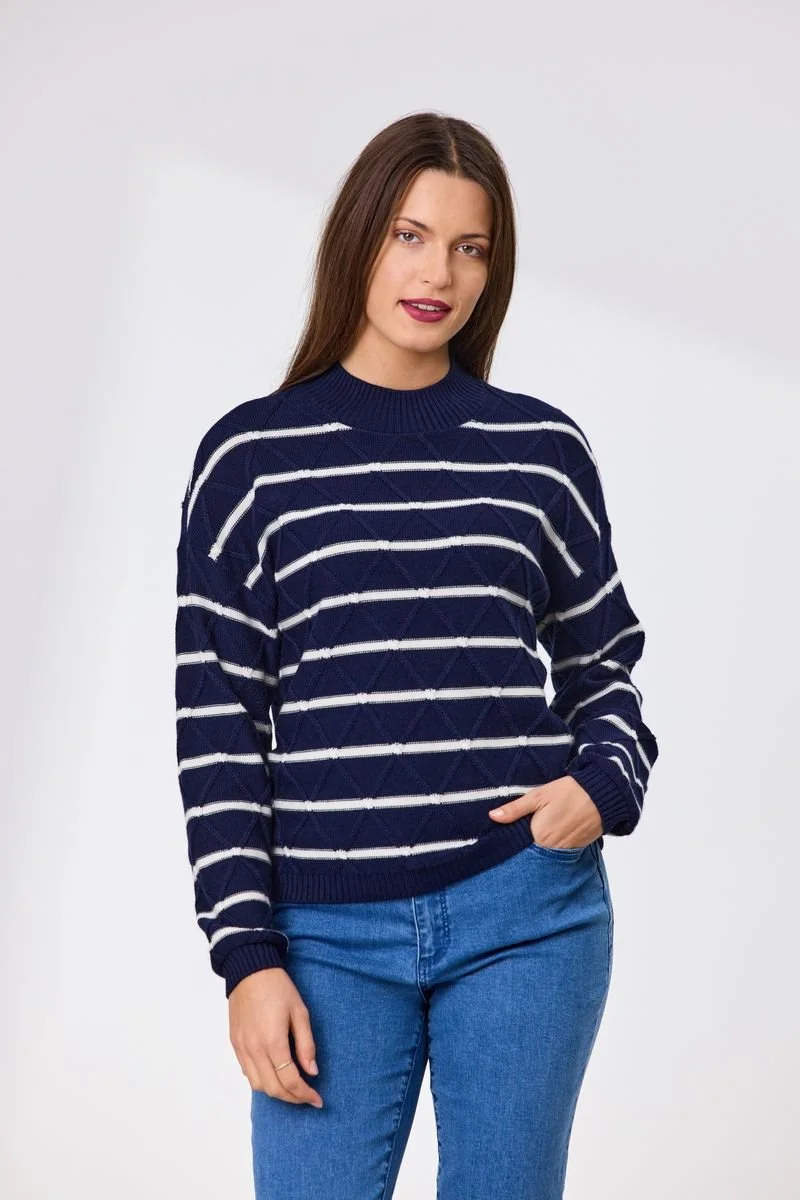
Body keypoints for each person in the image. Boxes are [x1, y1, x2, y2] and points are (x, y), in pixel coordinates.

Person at [174, 110, 659, 1200]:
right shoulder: (250, 460)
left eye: (469, 247)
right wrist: (245, 958)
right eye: (409, 235)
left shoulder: (540, 451)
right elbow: (218, 731)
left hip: (524, 915)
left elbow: (604, 668)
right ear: (358, 237)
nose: (438, 272)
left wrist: (602, 782)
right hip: (323, 938)